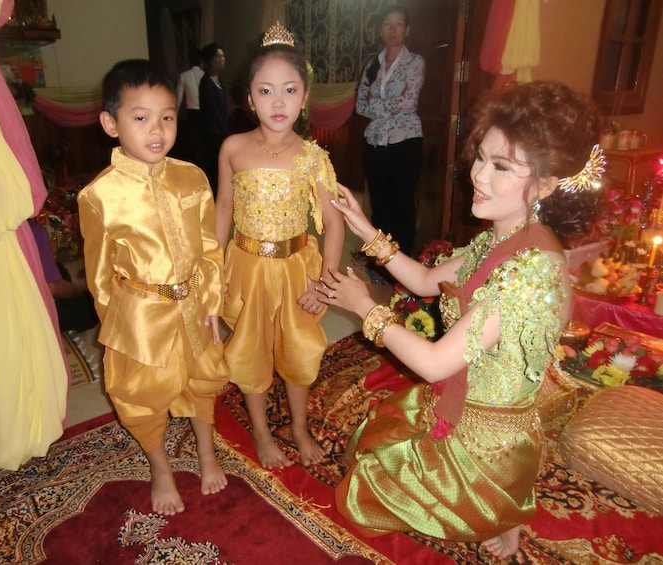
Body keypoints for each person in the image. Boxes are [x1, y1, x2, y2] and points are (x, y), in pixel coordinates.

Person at [317, 81, 603, 560]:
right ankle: (500, 507)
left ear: (549, 184)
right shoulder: (506, 236)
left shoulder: (529, 272)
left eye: (502, 167)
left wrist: (367, 307)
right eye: (481, 158)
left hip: (486, 445)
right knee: (372, 439)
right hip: (458, 406)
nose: (479, 176)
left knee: (360, 493)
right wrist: (363, 227)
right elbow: (427, 280)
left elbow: (432, 364)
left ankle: (498, 505)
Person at [77, 59, 229, 515]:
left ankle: (206, 453)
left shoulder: (193, 177)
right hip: (140, 317)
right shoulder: (99, 196)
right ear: (111, 123)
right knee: (143, 396)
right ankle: (160, 467)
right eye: (140, 118)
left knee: (203, 381)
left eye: (167, 116)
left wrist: (213, 304)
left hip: (195, 304)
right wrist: (118, 331)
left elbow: (208, 248)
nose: (157, 129)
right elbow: (99, 275)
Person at [214, 22, 345, 470]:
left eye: (289, 90)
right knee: (251, 349)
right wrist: (213, 270)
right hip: (247, 266)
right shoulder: (233, 147)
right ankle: (263, 432)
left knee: (298, 350)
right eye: (265, 91)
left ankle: (299, 426)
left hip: (296, 268)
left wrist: (325, 281)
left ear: (305, 97)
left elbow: (332, 221)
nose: (278, 101)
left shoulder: (313, 157)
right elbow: (223, 210)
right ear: (250, 98)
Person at [356, 4, 425, 256]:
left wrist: (376, 101)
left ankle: (404, 259)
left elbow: (409, 102)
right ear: (380, 30)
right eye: (387, 24)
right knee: (380, 205)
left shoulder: (414, 63)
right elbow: (361, 105)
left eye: (398, 24)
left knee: (403, 206)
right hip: (375, 142)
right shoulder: (372, 65)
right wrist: (380, 103)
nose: (393, 30)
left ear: (407, 30)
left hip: (405, 140)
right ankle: (379, 259)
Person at [28, 217, 99, 333]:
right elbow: (53, 287)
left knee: (60, 270)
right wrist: (87, 289)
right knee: (90, 308)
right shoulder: (34, 231)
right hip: (28, 312)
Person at [198, 42, 228, 196]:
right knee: (213, 168)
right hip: (212, 134)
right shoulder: (206, 82)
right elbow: (211, 110)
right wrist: (221, 131)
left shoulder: (218, 80)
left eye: (223, 56)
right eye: (218, 56)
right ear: (210, 61)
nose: (222, 59)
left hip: (220, 132)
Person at [174, 47, 205, 165]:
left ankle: (195, 163)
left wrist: (175, 116)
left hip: (192, 111)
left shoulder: (184, 75)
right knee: (202, 140)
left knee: (193, 140)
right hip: (204, 112)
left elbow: (178, 97)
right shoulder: (204, 75)